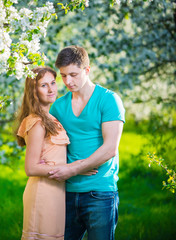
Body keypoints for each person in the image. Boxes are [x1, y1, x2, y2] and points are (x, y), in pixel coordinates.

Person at [48, 45, 125, 240]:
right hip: (65, 192)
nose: (68, 81)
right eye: (63, 76)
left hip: (99, 192)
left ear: (87, 70)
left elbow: (110, 149)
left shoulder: (109, 100)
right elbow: (49, 148)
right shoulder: (58, 106)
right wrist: (66, 169)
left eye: (73, 74)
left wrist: (74, 168)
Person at [15, 66, 97, 240]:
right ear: (33, 90)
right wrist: (76, 167)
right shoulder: (37, 122)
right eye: (44, 85)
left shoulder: (51, 118)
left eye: (53, 82)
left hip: (56, 193)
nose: (51, 89)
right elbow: (31, 168)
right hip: (42, 193)